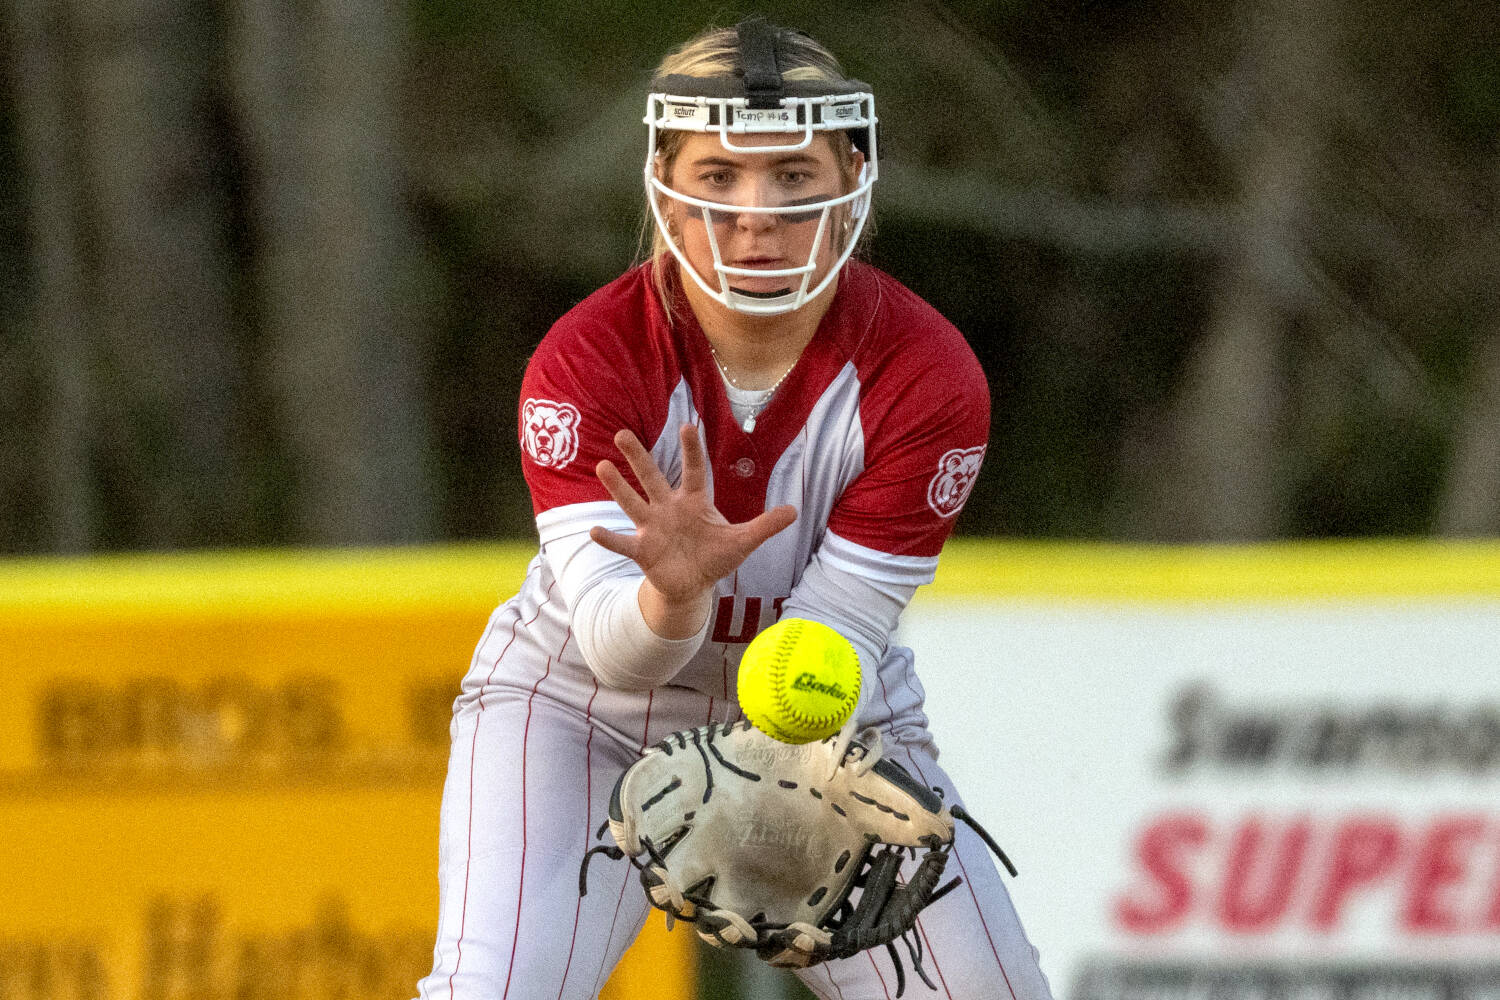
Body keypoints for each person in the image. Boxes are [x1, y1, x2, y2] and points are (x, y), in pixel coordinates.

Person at [414, 17, 1054, 1000]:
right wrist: (672, 599)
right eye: (720, 176)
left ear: (851, 176)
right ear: (665, 180)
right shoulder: (586, 361)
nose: (756, 212)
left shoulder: (929, 376)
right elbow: (615, 648)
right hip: (586, 706)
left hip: (818, 707)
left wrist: (779, 778)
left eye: (793, 175)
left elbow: (831, 634)